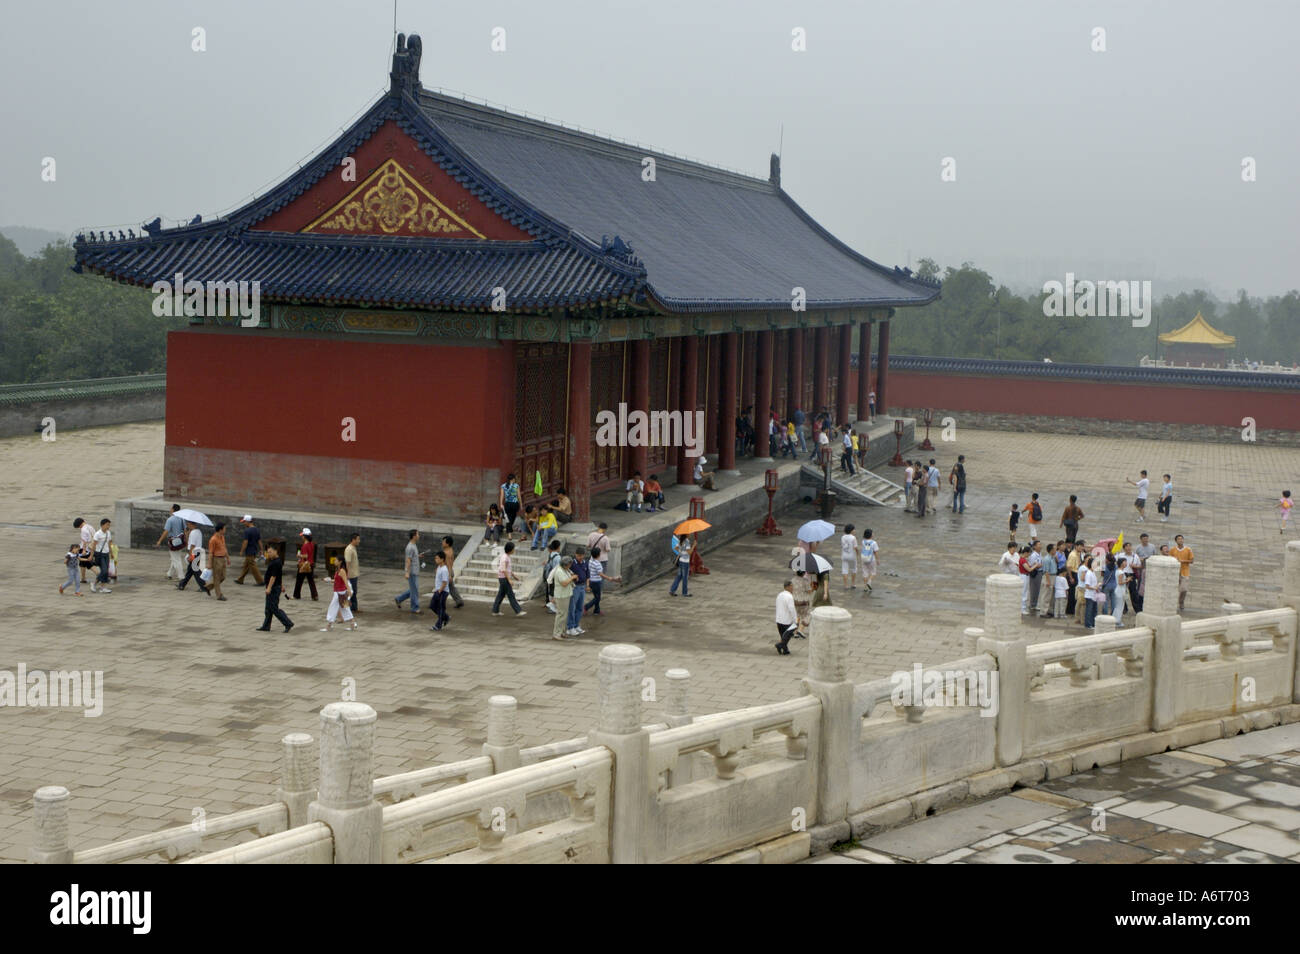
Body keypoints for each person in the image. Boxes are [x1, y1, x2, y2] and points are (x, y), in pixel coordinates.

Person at [257, 544, 294, 633]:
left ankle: (288, 623)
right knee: (268, 608)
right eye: (268, 552)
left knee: (274, 608)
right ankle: (266, 626)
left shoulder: (276, 562)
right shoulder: (275, 561)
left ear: (275, 551)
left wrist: (269, 588)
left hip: (273, 588)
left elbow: (273, 577)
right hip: (276, 586)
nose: (269, 554)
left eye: (270, 552)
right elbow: (279, 576)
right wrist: (281, 586)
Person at [491, 541, 527, 617]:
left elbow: (508, 569)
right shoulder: (505, 558)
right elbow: (504, 570)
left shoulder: (507, 557)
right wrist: (509, 580)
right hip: (504, 578)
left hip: (503, 578)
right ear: (510, 550)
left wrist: (514, 576)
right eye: (513, 549)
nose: (514, 550)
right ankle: (518, 611)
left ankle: (495, 610)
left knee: (500, 595)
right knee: (510, 595)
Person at [324, 556, 358, 632]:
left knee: (333, 607)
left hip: (340, 593)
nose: (334, 561)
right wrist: (329, 580)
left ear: (340, 562)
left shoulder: (342, 571)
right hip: (338, 592)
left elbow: (345, 581)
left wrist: (349, 590)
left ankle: (329, 625)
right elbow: (337, 580)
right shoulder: (338, 570)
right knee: (345, 608)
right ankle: (353, 623)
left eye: (336, 560)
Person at [585, 546, 621, 616]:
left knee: (596, 596)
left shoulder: (590, 560)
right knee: (597, 597)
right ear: (598, 555)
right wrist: (609, 578)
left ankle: (597, 611)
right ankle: (586, 607)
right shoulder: (597, 564)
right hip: (596, 582)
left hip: (591, 581)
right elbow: (601, 574)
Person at [394, 529, 422, 615]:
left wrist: (418, 556)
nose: (419, 536)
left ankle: (399, 598)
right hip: (412, 571)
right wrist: (407, 572)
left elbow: (412, 557)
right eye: (418, 534)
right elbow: (408, 560)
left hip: (415, 571)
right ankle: (415, 608)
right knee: (415, 590)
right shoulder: (410, 547)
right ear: (414, 536)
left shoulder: (413, 545)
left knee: (414, 589)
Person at [156, 504, 188, 581]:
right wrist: (186, 540)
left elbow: (166, 531)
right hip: (180, 541)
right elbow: (185, 530)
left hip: (173, 541)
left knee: (176, 559)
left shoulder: (170, 520)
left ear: (173, 509)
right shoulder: (182, 519)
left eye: (171, 508)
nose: (170, 509)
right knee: (175, 558)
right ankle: (169, 574)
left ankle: (181, 577)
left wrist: (159, 540)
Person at [549, 555, 576, 640]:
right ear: (566, 564)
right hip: (561, 596)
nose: (570, 566)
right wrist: (572, 577)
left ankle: (562, 632)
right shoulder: (559, 571)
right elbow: (564, 583)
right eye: (569, 565)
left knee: (564, 614)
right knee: (561, 614)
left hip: (566, 594)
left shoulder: (565, 570)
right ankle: (557, 633)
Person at [178, 521, 209, 594]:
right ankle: (182, 584)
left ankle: (204, 586)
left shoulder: (194, 533)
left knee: (196, 571)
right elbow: (189, 541)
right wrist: (186, 534)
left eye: (188, 524)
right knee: (190, 571)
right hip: (197, 552)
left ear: (192, 524)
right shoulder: (198, 532)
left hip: (194, 552)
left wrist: (190, 555)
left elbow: (192, 545)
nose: (187, 526)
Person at [566, 547, 590, 636]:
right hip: (575, 587)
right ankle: (570, 627)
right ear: (575, 555)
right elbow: (567, 572)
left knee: (580, 607)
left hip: (582, 587)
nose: (580, 557)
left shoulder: (585, 563)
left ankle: (576, 625)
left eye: (582, 555)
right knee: (572, 607)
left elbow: (588, 575)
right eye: (579, 555)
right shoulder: (572, 563)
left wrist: (587, 586)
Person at [289, 529, 318, 601]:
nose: (301, 537)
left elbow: (305, 556)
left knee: (299, 580)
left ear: (305, 537)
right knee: (311, 581)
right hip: (310, 564)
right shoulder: (312, 544)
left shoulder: (305, 546)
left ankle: (296, 595)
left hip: (304, 565)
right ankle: (315, 595)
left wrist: (299, 556)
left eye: (302, 536)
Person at [235, 515, 265, 585]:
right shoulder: (256, 530)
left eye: (244, 522)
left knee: (253, 566)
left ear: (248, 522)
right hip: (254, 550)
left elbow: (245, 542)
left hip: (249, 551)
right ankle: (240, 579)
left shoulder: (247, 531)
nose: (244, 523)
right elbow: (259, 541)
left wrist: (242, 551)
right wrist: (261, 550)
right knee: (246, 566)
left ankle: (260, 581)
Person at [1171, 534, 1194, 612]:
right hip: (1175, 572)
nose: (1180, 540)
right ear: (1176, 541)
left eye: (1181, 539)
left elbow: (1192, 560)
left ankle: (1181, 602)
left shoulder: (1188, 549)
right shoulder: (1173, 550)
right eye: (1179, 539)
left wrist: (1183, 561)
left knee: (1184, 589)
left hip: (1184, 571)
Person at [428, 552, 451, 631]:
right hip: (438, 590)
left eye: (437, 558)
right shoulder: (439, 567)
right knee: (432, 605)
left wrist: (439, 591)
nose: (436, 560)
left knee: (441, 608)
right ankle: (446, 617)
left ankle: (438, 625)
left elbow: (445, 582)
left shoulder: (444, 570)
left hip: (443, 591)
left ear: (442, 559)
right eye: (435, 558)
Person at [774, 580, 798, 656]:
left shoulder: (779, 594)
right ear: (788, 587)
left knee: (783, 636)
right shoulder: (789, 596)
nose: (793, 588)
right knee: (788, 635)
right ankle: (780, 645)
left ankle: (785, 650)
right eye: (792, 586)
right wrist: (795, 619)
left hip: (779, 619)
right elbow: (792, 609)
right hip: (786, 620)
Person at [90, 518, 114, 594]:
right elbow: (93, 545)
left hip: (106, 554)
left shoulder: (108, 533)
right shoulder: (98, 534)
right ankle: (94, 584)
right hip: (99, 554)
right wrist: (91, 555)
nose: (108, 526)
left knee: (106, 571)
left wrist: (111, 553)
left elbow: (110, 543)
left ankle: (102, 587)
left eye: (109, 525)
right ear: (102, 525)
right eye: (107, 525)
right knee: (104, 570)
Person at [1134, 533, 1157, 611]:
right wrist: (1141, 559)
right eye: (1144, 539)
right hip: (1141, 567)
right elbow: (1135, 557)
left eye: (1146, 539)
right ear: (1141, 540)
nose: (1145, 540)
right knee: (1141, 583)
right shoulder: (1138, 548)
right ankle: (1140, 601)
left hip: (1150, 567)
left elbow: (1155, 556)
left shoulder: (1152, 546)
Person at [440, 535, 464, 609]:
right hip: (448, 572)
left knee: (441, 588)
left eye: (443, 542)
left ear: (447, 544)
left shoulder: (447, 553)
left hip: (447, 573)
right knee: (451, 588)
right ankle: (459, 601)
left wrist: (449, 575)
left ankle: (436, 602)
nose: (442, 543)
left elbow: (449, 565)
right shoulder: (450, 550)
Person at [208, 522, 229, 601]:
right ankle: (219, 595)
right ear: (220, 529)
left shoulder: (222, 537)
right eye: (224, 528)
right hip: (216, 559)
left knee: (223, 577)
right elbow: (210, 552)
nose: (225, 530)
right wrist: (209, 563)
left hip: (222, 558)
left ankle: (208, 587)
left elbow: (224, 548)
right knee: (216, 577)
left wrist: (228, 558)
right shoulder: (213, 539)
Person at [499, 474, 522, 541]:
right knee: (512, 517)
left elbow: (502, 496)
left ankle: (509, 531)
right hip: (515, 504)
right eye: (514, 479)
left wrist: (501, 504)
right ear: (513, 479)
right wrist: (521, 504)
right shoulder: (516, 486)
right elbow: (519, 496)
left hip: (507, 504)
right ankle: (509, 533)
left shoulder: (503, 486)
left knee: (508, 518)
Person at [543, 539, 563, 613]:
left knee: (551, 591)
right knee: (555, 592)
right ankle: (552, 608)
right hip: (554, 577)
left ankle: (551, 607)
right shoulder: (558, 557)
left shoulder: (551, 554)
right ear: (558, 547)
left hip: (549, 576)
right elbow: (557, 569)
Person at [1083, 557, 1101, 629]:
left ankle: (1093, 623)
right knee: (1089, 610)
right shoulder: (1089, 573)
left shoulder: (1093, 572)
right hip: (1089, 595)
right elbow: (1087, 586)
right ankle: (1088, 624)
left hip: (1094, 594)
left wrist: (1097, 586)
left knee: (1094, 610)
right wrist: (1095, 587)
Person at [840, 524, 858, 591]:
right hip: (852, 556)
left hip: (844, 555)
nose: (854, 530)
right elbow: (855, 547)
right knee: (853, 569)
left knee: (845, 570)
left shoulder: (842, 537)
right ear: (851, 530)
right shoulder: (853, 538)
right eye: (854, 529)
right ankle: (853, 584)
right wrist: (858, 553)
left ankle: (845, 585)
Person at [75, 518, 94, 584]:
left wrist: (83, 550)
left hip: (85, 548)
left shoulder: (83, 530)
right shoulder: (90, 527)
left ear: (79, 525)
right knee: (83, 564)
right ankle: (83, 578)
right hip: (91, 547)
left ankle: (100, 575)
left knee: (88, 564)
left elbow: (84, 541)